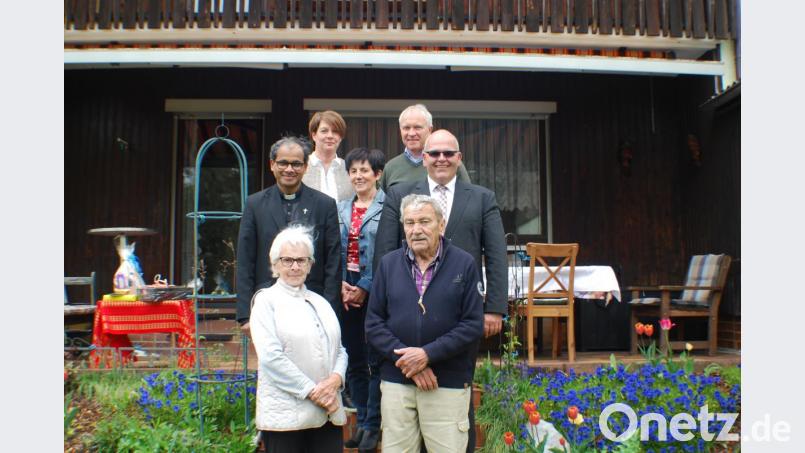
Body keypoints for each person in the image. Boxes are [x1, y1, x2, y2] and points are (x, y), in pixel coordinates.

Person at [373, 129, 508, 452]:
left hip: (460, 313)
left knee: (454, 408)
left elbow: (496, 254)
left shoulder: (481, 197)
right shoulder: (400, 194)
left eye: (449, 153)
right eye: (434, 154)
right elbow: (385, 252)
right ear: (425, 159)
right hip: (405, 320)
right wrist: (411, 360)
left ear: (459, 158)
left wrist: (494, 307)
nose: (442, 159)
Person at [365, 194, 484, 453]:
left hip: (446, 382)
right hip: (397, 382)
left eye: (424, 221)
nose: (416, 230)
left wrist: (428, 355)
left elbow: (472, 324)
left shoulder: (464, 263)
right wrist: (412, 364)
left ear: (441, 225)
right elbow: (374, 324)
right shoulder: (388, 265)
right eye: (409, 223)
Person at [250, 225, 347, 453]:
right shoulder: (265, 301)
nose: (295, 266)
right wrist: (315, 392)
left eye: (301, 260)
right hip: (287, 419)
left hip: (327, 412)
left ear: (310, 264)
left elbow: (340, 350)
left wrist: (335, 380)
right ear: (275, 264)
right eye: (287, 260)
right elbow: (271, 358)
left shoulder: (320, 302)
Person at [236, 136, 342, 334]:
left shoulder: (325, 204)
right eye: (283, 163)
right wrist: (245, 314)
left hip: (313, 300)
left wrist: (330, 309)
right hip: (267, 302)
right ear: (272, 165)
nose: (289, 169)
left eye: (296, 164)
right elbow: (245, 260)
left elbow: (333, 261)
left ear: (305, 166)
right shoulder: (255, 204)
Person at [337, 148, 386, 452]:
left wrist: (365, 285)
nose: (358, 176)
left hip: (378, 287)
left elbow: (387, 251)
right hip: (346, 288)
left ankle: (373, 425)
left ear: (377, 174)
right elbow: (333, 248)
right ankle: (361, 419)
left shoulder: (388, 207)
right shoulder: (341, 208)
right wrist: (341, 284)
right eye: (353, 170)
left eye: (364, 170)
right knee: (353, 357)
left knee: (374, 358)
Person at [379, 104, 471, 192]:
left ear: (430, 130)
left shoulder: (449, 163)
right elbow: (379, 204)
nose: (411, 133)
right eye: (406, 128)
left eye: (417, 127)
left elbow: (467, 198)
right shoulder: (390, 168)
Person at [303, 110, 354, 202]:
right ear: (314, 135)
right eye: (324, 131)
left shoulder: (350, 169)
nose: (330, 136)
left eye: (335, 131)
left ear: (341, 137)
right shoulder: (301, 167)